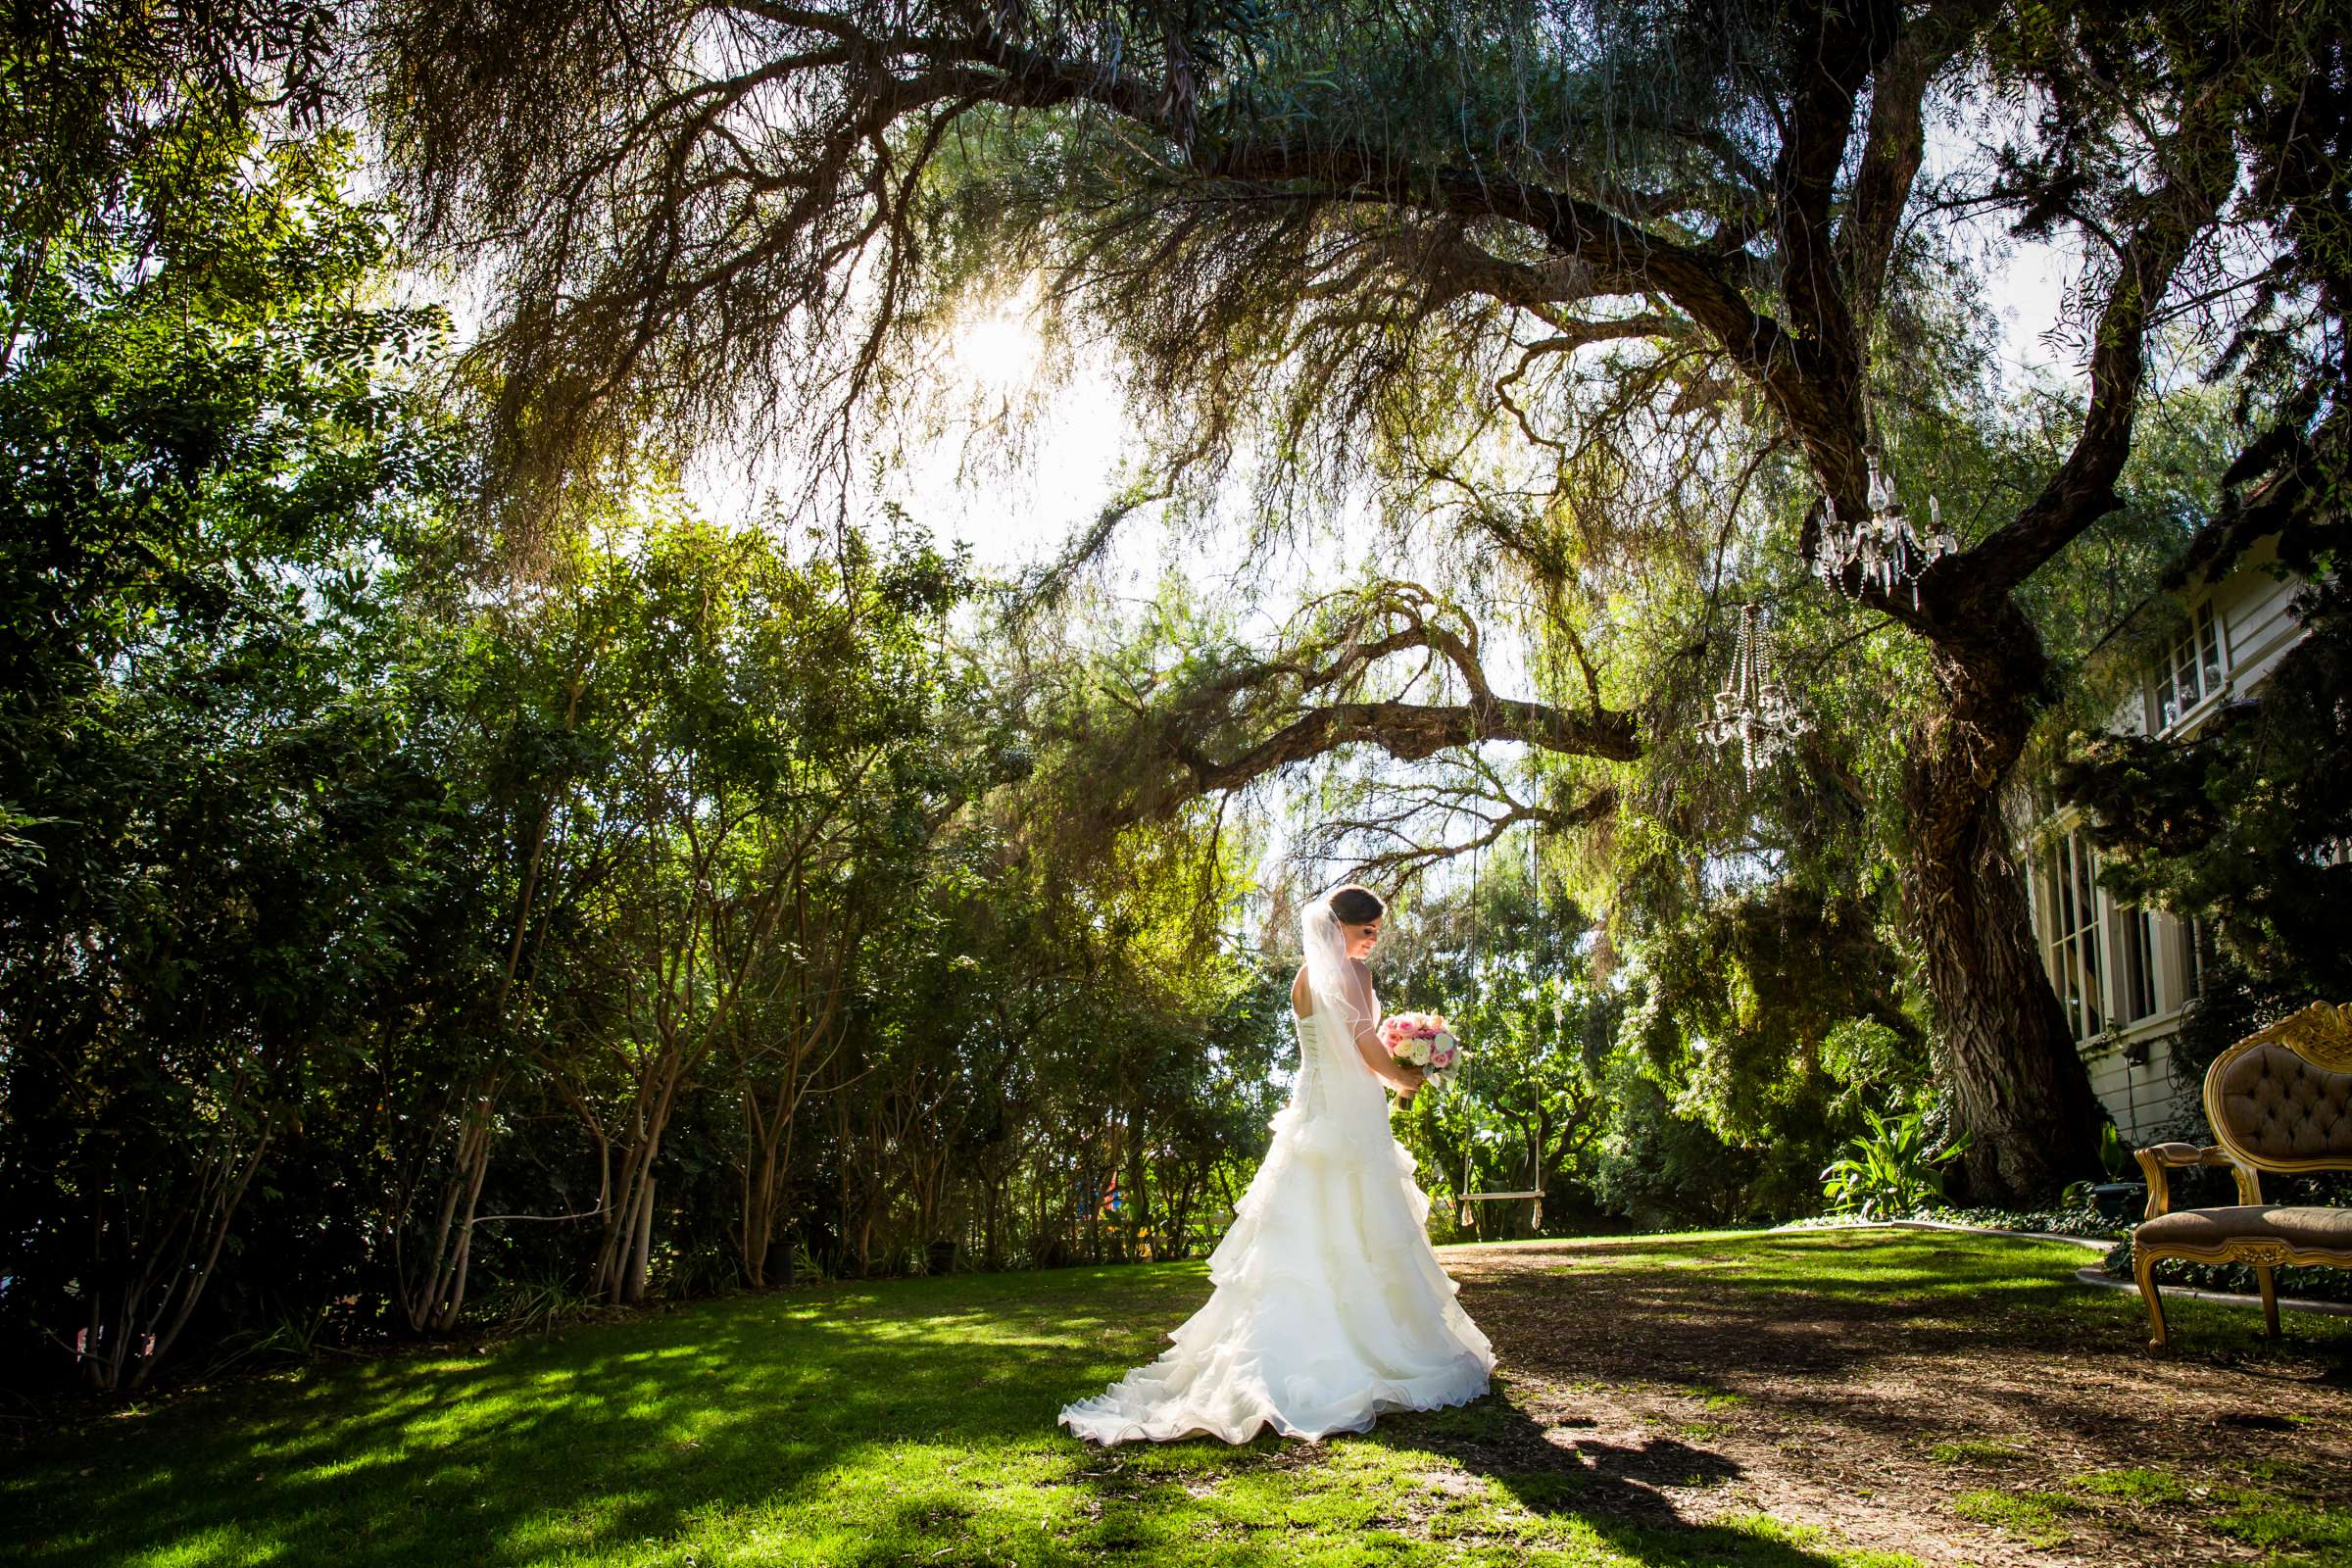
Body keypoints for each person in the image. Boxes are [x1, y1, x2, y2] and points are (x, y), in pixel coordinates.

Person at [1057, 884, 1494, 1444]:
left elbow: (1331, 1043)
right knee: (1363, 1224)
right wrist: (1403, 1075)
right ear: (1341, 928)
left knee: (1303, 1226)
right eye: (1368, 931)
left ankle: (1283, 1352)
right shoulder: (1354, 977)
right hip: (1351, 1108)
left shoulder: (1303, 979)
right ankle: (1371, 1348)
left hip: (1313, 1109)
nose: (1373, 942)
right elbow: (1362, 1041)